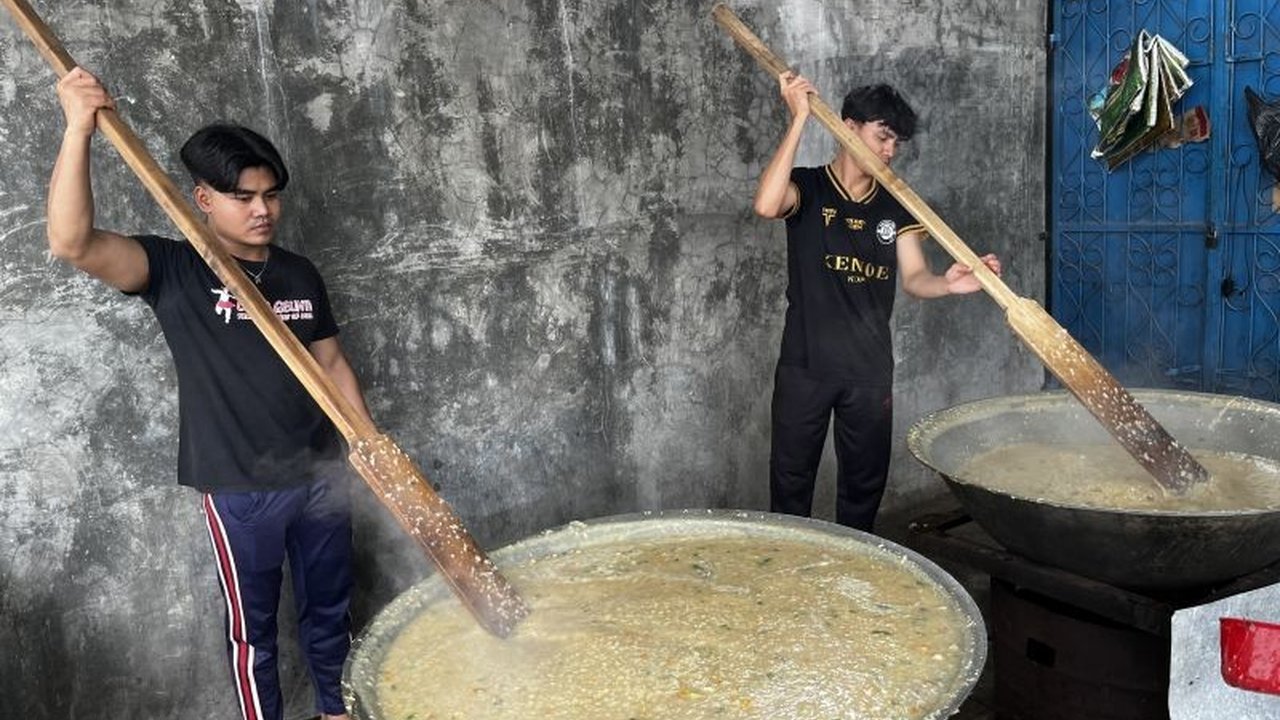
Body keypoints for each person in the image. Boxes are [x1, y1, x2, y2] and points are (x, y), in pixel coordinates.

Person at [48, 66, 372, 720]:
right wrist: (79, 127)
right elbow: (71, 242)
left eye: (271, 195)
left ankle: (338, 712)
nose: (262, 210)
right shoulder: (173, 269)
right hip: (239, 486)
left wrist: (367, 444)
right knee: (253, 634)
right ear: (203, 198)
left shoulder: (298, 272)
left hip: (320, 474)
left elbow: (330, 360)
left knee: (332, 610)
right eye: (244, 196)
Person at [753, 73, 1001, 533]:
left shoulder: (896, 204)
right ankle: (787, 580)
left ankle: (858, 580)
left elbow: (914, 278)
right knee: (790, 484)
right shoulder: (809, 188)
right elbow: (767, 205)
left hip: (868, 372)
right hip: (804, 366)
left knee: (863, 490)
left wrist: (947, 284)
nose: (889, 151)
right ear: (849, 128)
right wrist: (800, 119)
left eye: (896, 143)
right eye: (882, 137)